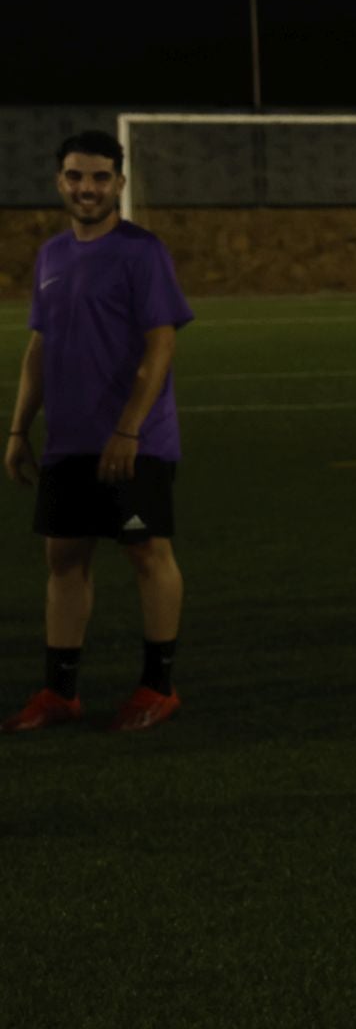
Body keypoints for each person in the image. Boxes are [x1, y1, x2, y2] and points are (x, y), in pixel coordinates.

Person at [4, 131, 193, 734]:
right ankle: (60, 693)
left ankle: (158, 687)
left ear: (119, 182)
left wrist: (128, 430)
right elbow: (39, 347)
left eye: (100, 177)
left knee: (146, 552)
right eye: (76, 176)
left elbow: (161, 343)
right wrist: (17, 430)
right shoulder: (52, 256)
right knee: (63, 558)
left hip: (134, 440)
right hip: (68, 439)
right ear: (60, 180)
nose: (87, 188)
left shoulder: (142, 251)